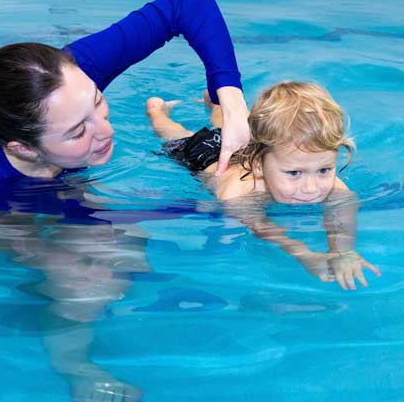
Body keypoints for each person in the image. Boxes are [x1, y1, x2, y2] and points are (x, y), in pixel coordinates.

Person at [0, 0, 249, 186]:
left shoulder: (73, 75)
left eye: (97, 101)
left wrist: (233, 105)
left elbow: (189, 3)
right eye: (78, 131)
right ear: (24, 149)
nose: (107, 130)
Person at [146, 81, 382, 290]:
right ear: (258, 165)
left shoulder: (317, 173)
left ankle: (216, 103)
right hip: (206, 154)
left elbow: (343, 208)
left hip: (252, 144)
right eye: (294, 173)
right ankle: (158, 112)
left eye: (323, 170)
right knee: (176, 135)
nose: (311, 188)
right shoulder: (238, 193)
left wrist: (342, 252)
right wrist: (305, 255)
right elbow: (261, 226)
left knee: (231, 125)